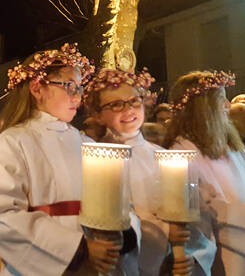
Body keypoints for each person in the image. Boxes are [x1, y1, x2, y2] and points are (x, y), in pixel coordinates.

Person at [0, 44, 139, 275]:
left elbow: (122, 204)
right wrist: (79, 249)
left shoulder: (88, 145)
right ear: (37, 88)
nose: (77, 96)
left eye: (79, 88)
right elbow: (2, 216)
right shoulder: (13, 142)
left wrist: (120, 239)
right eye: (69, 86)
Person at [83, 68, 216, 275]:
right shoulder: (94, 161)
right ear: (98, 115)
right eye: (116, 104)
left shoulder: (165, 157)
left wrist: (190, 254)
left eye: (134, 101)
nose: (128, 110)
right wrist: (164, 232)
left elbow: (193, 213)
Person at [165, 70, 245, 275]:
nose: (228, 106)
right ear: (202, 108)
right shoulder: (182, 152)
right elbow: (205, 209)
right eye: (221, 100)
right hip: (219, 253)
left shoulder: (229, 146)